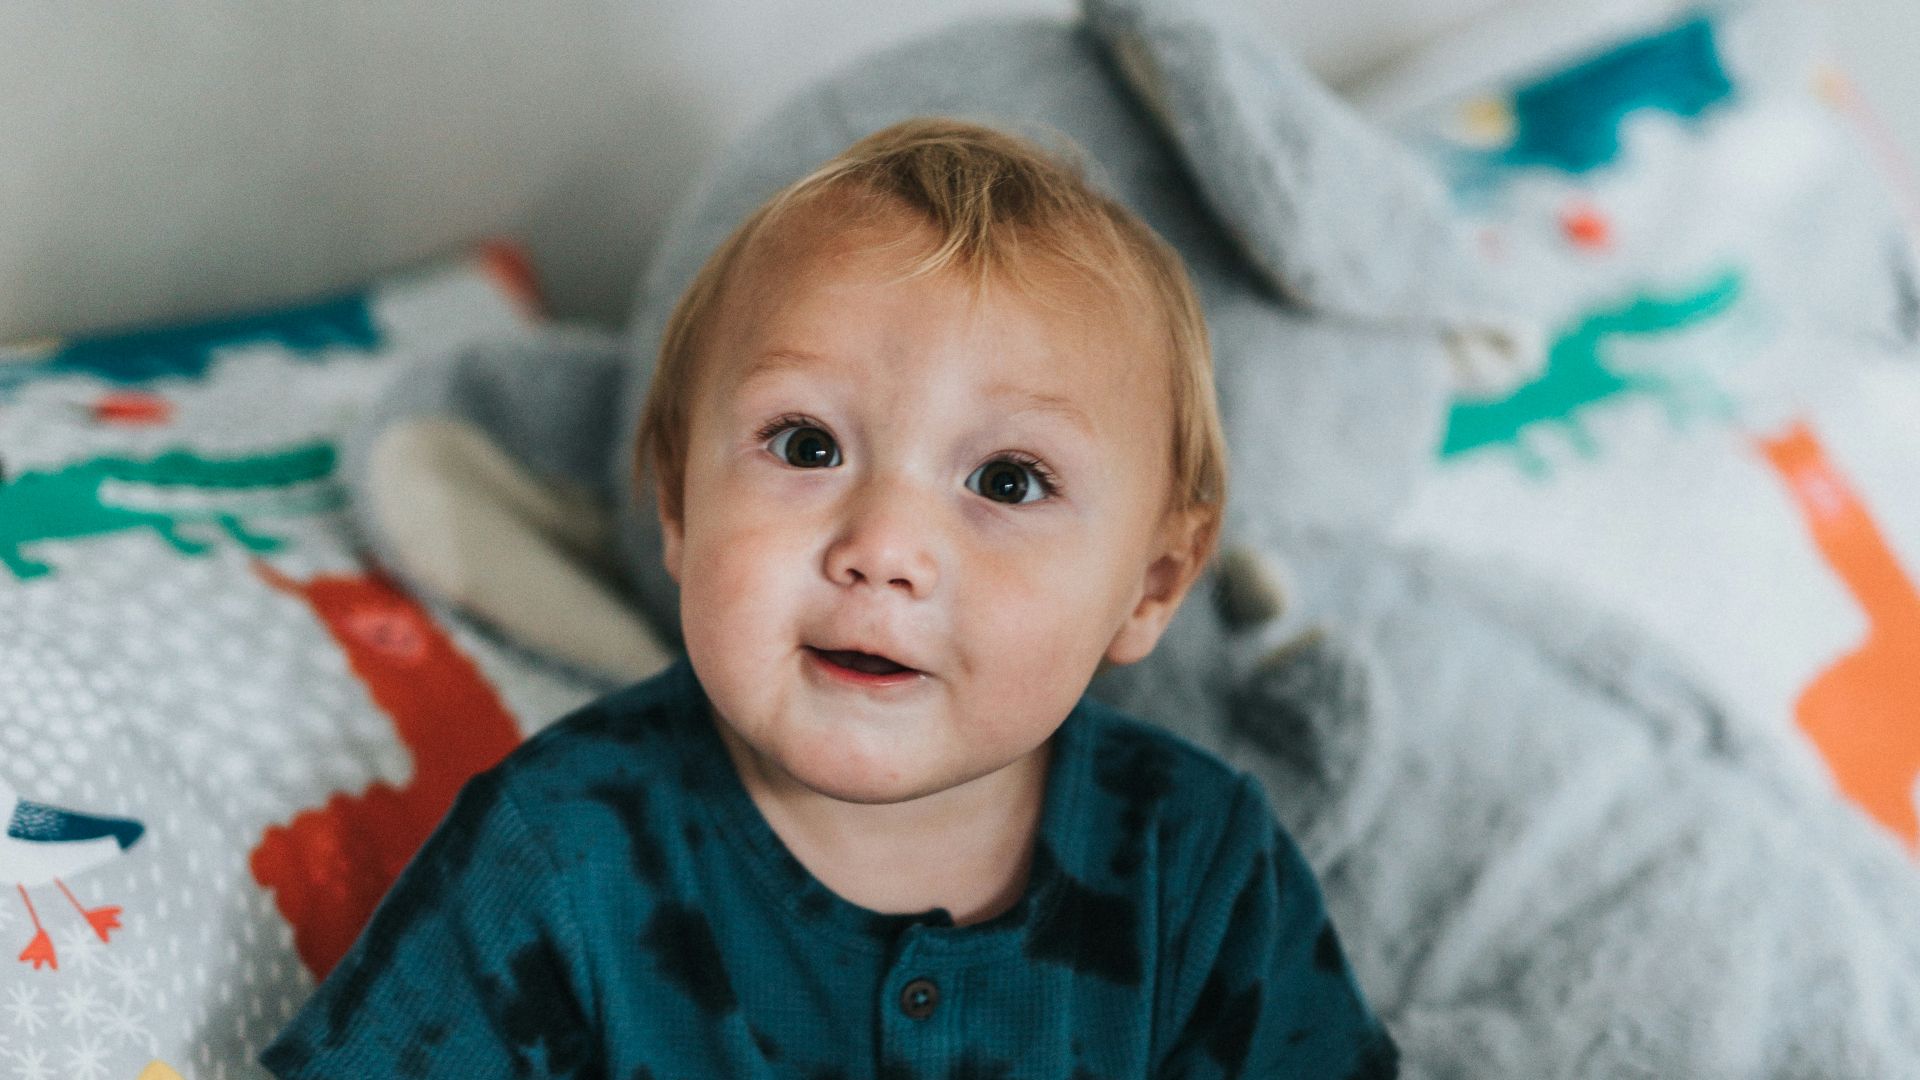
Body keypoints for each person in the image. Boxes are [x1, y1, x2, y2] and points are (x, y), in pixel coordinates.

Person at [261, 118, 1397, 1079]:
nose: (884, 547)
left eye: (1007, 481)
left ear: (1151, 585)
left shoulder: (1196, 866)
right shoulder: (560, 854)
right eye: (806, 446)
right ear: (677, 501)